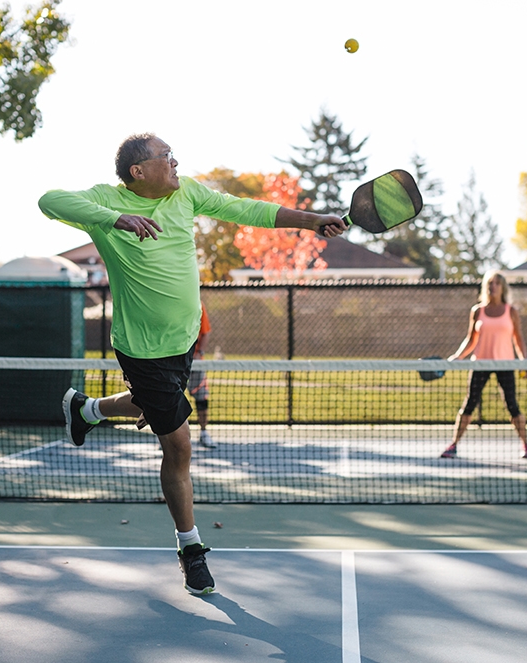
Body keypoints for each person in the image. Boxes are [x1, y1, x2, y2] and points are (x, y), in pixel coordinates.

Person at [38, 133, 348, 595]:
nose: (175, 160)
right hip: (141, 348)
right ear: (138, 171)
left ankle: (87, 411)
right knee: (178, 444)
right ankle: (191, 550)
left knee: (153, 411)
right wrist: (115, 219)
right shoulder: (106, 202)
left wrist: (311, 221)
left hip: (183, 342)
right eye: (166, 156)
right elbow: (49, 200)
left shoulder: (188, 193)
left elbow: (248, 210)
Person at [441, 270, 527, 459]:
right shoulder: (477, 311)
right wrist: (457, 356)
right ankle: (453, 445)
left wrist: (524, 361)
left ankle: (526, 445)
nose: (493, 286)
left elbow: (519, 339)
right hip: (480, 364)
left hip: (505, 365)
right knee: (469, 404)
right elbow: (470, 340)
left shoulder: (511, 311)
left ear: (503, 287)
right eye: (490, 283)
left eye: (497, 283)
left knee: (512, 405)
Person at [189, 303, 215, 449]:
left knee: (202, 399)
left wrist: (199, 354)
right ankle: (167, 437)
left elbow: (206, 332)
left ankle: (204, 433)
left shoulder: (198, 305)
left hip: (196, 363)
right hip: (174, 363)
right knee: (172, 400)